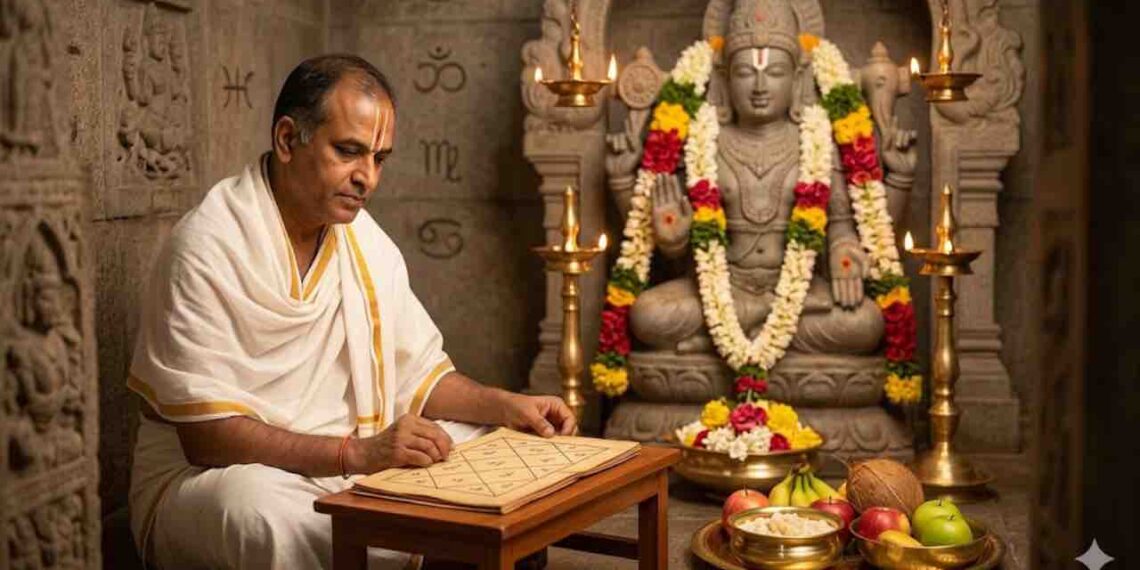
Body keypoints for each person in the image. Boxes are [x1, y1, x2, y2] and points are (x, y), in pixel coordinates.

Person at [126, 54, 576, 570]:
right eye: (349, 152)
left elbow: (419, 378)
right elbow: (206, 437)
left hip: (352, 456)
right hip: (220, 476)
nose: (368, 178)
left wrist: (506, 405)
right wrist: (359, 455)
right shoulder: (207, 247)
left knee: (493, 452)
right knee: (255, 512)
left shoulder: (364, 243)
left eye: (380, 158)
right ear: (287, 138)